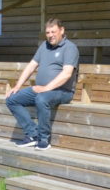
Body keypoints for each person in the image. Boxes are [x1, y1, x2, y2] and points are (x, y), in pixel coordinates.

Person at [5, 17, 79, 151]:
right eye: (48, 33)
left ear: (62, 30)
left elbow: (67, 74)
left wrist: (46, 88)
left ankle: (43, 139)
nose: (50, 35)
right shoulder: (44, 46)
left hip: (63, 91)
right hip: (43, 90)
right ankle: (32, 134)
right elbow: (31, 66)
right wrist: (17, 86)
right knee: (12, 99)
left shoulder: (70, 48)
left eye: (53, 32)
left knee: (41, 98)